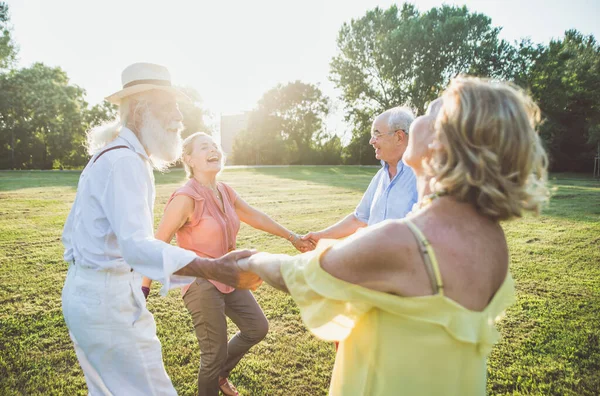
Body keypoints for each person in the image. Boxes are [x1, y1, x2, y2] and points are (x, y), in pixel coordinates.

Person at [237, 76, 549, 395]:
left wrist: (251, 259)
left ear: (444, 141)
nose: (416, 123)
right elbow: (361, 218)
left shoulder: (403, 240)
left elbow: (298, 275)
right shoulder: (492, 239)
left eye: (428, 112)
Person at [61, 63, 260, 396]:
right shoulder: (124, 161)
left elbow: (74, 236)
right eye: (169, 106)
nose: (180, 117)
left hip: (88, 295)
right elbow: (137, 248)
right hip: (107, 304)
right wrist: (213, 268)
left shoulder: (114, 156)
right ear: (141, 110)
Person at [142, 132, 312, 396]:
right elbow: (157, 243)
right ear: (189, 159)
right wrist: (143, 288)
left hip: (230, 274)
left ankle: (222, 374)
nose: (213, 149)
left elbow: (254, 216)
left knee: (257, 327)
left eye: (215, 145)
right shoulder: (185, 198)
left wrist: (292, 237)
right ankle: (215, 374)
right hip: (200, 281)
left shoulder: (224, 191)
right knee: (213, 353)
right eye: (204, 147)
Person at [302, 106, 418, 247]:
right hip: (374, 262)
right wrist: (320, 236)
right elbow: (359, 219)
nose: (371, 141)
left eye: (377, 134)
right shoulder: (380, 176)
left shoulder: (423, 177)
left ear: (399, 137)